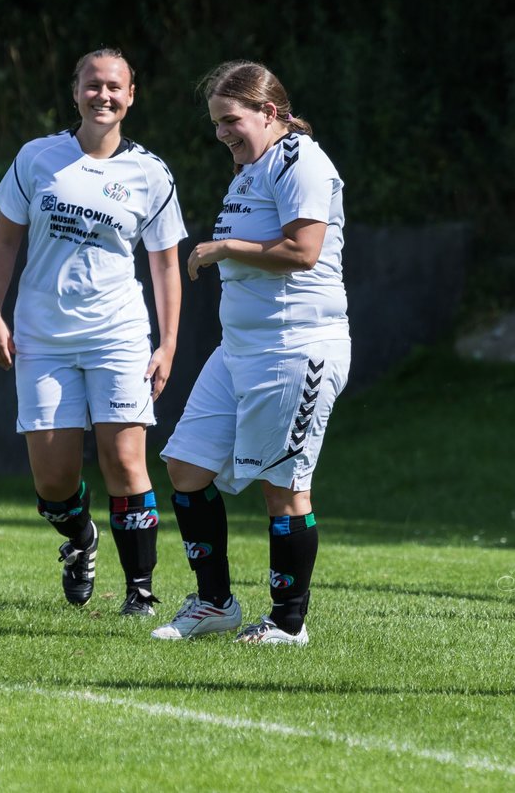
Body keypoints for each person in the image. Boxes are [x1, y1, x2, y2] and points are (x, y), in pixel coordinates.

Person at [152, 60, 351, 645]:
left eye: (230, 120)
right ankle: (214, 603)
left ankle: (289, 623)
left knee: (284, 487)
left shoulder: (302, 161)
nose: (222, 134)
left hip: (296, 346)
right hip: (239, 348)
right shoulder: (251, 167)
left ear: (270, 111)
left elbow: (304, 250)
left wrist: (221, 249)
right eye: (215, 123)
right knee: (186, 467)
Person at [0, 48, 185, 616]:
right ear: (75, 92)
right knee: (52, 481)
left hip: (118, 334)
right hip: (42, 337)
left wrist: (167, 343)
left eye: (115, 87)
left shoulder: (150, 173)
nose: (104, 95)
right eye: (93, 85)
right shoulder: (36, 158)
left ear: (131, 96)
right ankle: (80, 539)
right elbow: (4, 241)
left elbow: (166, 264)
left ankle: (140, 592)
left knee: (125, 462)